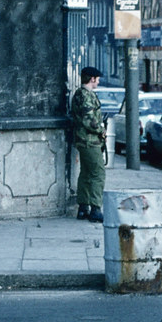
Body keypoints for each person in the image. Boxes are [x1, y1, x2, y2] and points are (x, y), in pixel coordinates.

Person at [72, 66, 107, 222]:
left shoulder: (79, 94)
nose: (98, 82)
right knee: (97, 174)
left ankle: (83, 208)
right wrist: (101, 130)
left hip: (82, 140)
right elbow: (89, 120)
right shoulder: (86, 96)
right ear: (92, 79)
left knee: (86, 174)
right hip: (90, 141)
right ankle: (95, 209)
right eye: (97, 79)